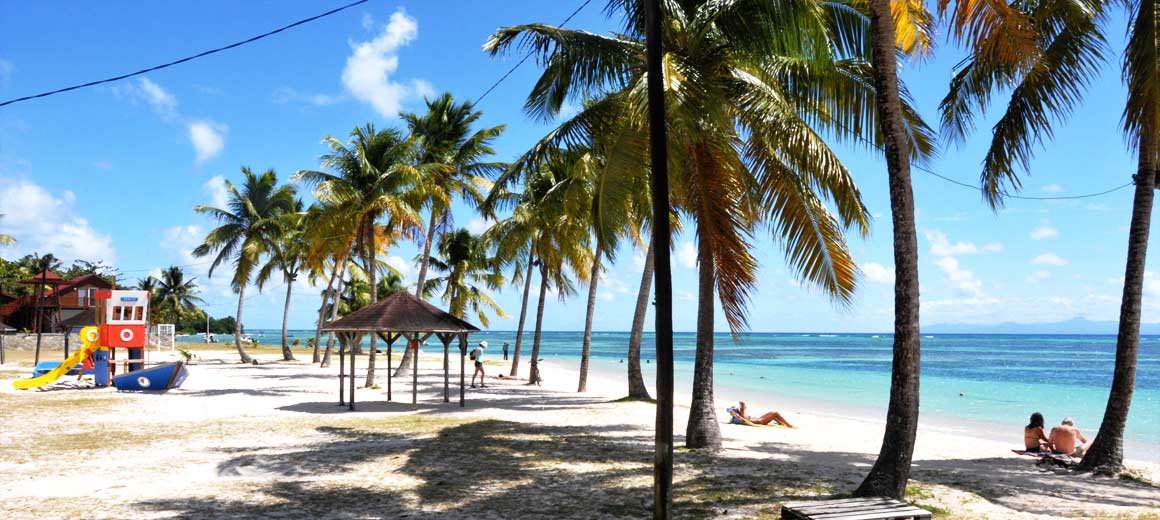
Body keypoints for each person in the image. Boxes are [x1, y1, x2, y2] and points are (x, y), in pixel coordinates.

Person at [726, 401, 794, 428]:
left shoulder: (737, 417)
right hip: (761, 421)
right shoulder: (742, 415)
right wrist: (742, 407)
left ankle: (780, 422)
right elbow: (742, 407)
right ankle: (788, 425)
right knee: (776, 413)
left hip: (759, 419)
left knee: (771, 412)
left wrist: (739, 408)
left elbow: (735, 415)